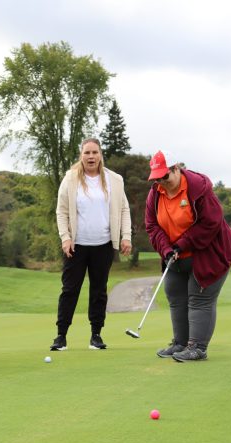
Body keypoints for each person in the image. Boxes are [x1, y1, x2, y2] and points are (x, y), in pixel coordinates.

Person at [145, 149, 231, 361]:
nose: (161, 182)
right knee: (175, 293)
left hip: (209, 251)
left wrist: (183, 243)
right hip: (176, 254)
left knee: (200, 297)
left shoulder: (197, 188)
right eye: (157, 178)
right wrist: (166, 249)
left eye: (165, 176)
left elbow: (211, 222)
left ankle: (197, 347)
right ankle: (180, 343)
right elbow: (151, 226)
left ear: (176, 168)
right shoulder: (155, 194)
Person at [50, 138, 132, 351]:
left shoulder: (114, 180)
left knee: (99, 290)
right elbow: (62, 211)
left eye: (95, 152)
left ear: (100, 154)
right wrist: (65, 237)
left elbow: (124, 209)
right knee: (70, 290)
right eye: (87, 152)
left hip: (103, 245)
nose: (91, 156)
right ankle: (61, 336)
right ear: (81, 155)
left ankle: (96, 335)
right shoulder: (70, 179)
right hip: (76, 246)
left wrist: (126, 236)